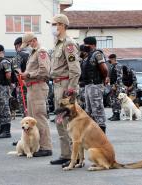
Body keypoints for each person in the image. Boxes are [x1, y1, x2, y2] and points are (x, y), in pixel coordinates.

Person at [49, 14, 81, 166]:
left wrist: (71, 89)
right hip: (57, 85)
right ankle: (66, 154)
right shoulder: (58, 44)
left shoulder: (69, 44)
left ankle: (76, 157)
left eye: (54, 24)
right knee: (60, 121)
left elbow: (75, 69)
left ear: (61, 25)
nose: (52, 27)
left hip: (65, 86)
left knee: (70, 122)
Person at [19, 32, 52, 157]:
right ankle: (36, 146)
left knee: (39, 118)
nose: (27, 46)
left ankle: (46, 147)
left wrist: (28, 75)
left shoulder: (41, 52)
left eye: (27, 44)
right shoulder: (33, 53)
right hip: (32, 87)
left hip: (38, 86)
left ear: (33, 40)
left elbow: (44, 71)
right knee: (32, 118)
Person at [80, 37, 108, 133]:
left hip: (95, 85)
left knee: (98, 109)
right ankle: (94, 133)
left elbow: (104, 69)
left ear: (91, 44)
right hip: (88, 85)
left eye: (85, 44)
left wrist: (104, 79)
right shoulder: (87, 56)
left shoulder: (97, 54)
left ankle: (102, 132)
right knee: (89, 110)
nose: (84, 46)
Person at [108, 54, 123, 121]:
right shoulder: (112, 66)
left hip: (117, 86)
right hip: (112, 85)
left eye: (110, 59)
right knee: (113, 101)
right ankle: (114, 114)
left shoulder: (118, 66)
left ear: (113, 59)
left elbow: (119, 77)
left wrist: (115, 85)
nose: (109, 60)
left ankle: (117, 115)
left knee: (117, 101)